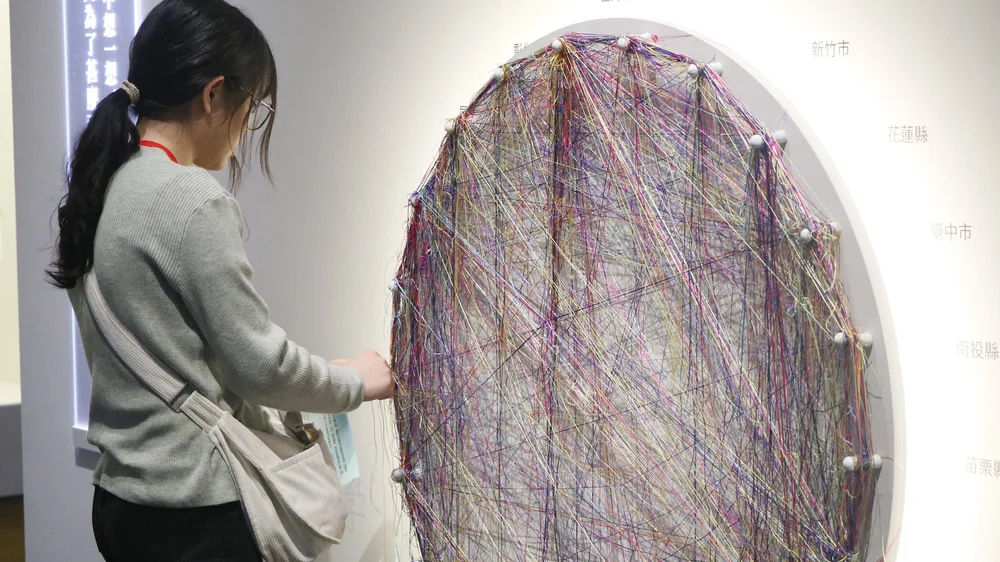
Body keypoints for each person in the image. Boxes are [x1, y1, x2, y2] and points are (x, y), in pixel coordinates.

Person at [46, 0, 395, 560]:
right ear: (213, 95)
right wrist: (353, 381)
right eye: (252, 106)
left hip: (121, 501)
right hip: (196, 512)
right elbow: (259, 367)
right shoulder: (189, 199)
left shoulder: (103, 183)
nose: (245, 129)